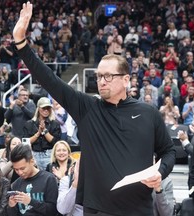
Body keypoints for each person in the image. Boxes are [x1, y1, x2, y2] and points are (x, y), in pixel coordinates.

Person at [12, 3, 175, 215]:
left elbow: (168, 151)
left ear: (126, 79)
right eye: (98, 76)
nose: (101, 81)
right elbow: (49, 79)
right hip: (97, 209)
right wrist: (21, 42)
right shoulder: (87, 108)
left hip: (139, 209)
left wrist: (161, 172)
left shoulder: (148, 113)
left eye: (108, 76)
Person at [6, 144, 58, 215]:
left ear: (32, 161)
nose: (20, 172)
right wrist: (11, 206)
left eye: (22, 168)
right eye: (16, 169)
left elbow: (53, 211)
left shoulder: (48, 179)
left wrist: (31, 201)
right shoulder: (16, 184)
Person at [23, 97, 61, 170]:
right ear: (38, 109)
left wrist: (45, 131)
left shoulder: (55, 124)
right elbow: (25, 142)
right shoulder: (29, 124)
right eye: (44, 108)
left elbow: (56, 142)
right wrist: (38, 133)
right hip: (33, 155)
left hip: (49, 155)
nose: (46, 110)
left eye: (48, 108)